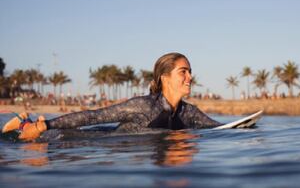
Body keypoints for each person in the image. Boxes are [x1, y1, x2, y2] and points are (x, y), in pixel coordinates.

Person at [2, 52, 222, 141]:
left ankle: (25, 123)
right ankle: (23, 126)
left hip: (104, 138)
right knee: (40, 143)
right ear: (164, 77)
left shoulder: (188, 112)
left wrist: (247, 127)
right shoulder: (143, 106)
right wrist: (45, 126)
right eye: (183, 71)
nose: (190, 77)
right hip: (83, 139)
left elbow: (219, 128)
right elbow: (93, 117)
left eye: (190, 71)